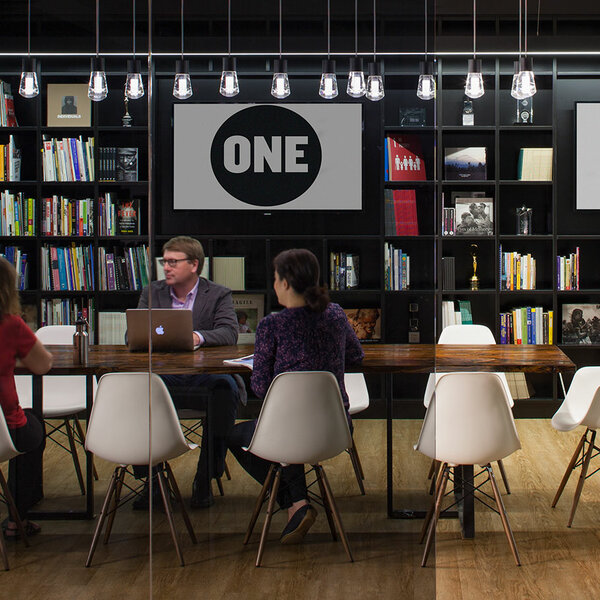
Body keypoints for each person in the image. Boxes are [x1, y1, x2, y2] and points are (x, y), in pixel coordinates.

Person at [228, 248, 364, 545]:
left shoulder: (271, 326)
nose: (274, 284)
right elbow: (356, 354)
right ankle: (297, 504)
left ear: (286, 283)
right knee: (292, 431)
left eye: (275, 279)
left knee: (235, 435)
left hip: (286, 431)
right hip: (336, 429)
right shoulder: (337, 316)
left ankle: (294, 501)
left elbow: (261, 388)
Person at [135, 236, 243, 509]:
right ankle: (153, 480)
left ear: (194, 265)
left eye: (173, 262)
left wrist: (196, 336)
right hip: (164, 377)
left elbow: (229, 333)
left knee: (225, 388)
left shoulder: (218, 294)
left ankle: (205, 477)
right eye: (164, 262)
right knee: (138, 389)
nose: (166, 268)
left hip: (203, 378)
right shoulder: (152, 293)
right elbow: (132, 333)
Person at [0, 257, 53, 539]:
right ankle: (16, 520)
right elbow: (42, 365)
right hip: (5, 428)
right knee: (33, 427)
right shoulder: (11, 325)